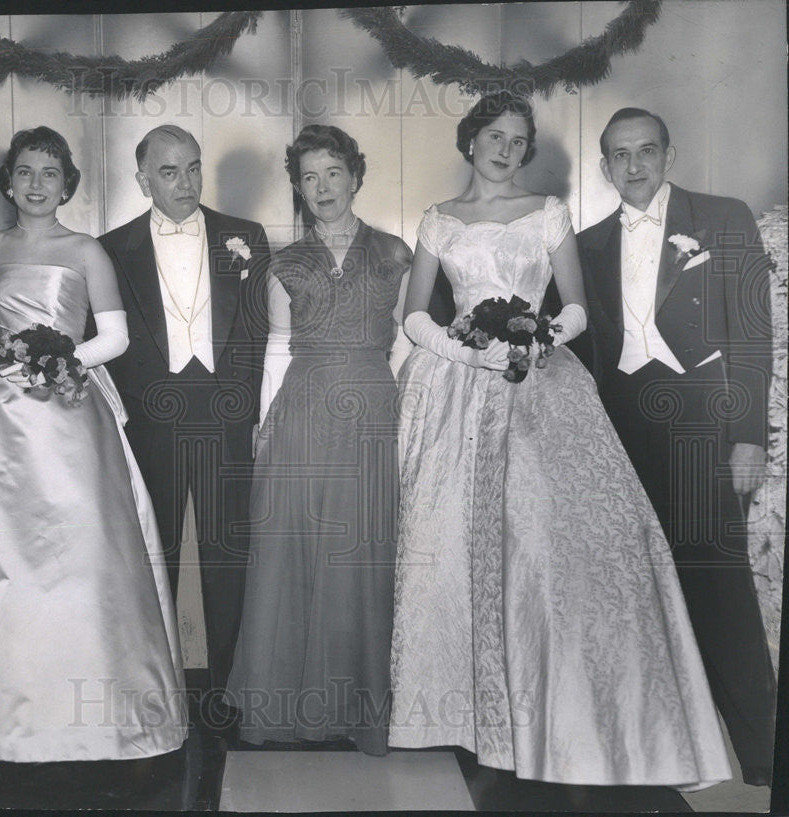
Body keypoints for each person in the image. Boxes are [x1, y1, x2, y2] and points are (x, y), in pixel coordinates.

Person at [388, 92, 732, 787]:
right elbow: (414, 316)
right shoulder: (437, 219)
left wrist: (535, 335)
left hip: (539, 381)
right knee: (448, 540)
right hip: (453, 387)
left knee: (547, 542)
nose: (507, 150)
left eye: (519, 141)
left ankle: (564, 706)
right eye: (496, 136)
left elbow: (574, 307)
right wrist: (466, 349)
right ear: (470, 140)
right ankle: (458, 714)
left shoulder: (547, 211)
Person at [0, 127, 187, 761]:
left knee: (81, 549)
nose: (37, 183)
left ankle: (106, 715)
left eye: (50, 173)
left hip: (67, 407)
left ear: (68, 185)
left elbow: (114, 336)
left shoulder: (86, 250)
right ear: (9, 181)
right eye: (26, 172)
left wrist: (56, 359)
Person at [576, 108, 776, 787]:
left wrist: (748, 435)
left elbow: (752, 335)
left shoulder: (723, 218)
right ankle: (663, 755)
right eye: (620, 155)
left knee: (719, 590)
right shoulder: (585, 243)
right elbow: (570, 348)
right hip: (619, 431)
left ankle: (765, 758)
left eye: (647, 151)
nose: (634, 166)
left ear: (668, 153)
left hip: (698, 423)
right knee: (636, 596)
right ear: (604, 166)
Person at [225, 125, 412, 756]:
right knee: (296, 554)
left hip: (374, 415)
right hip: (301, 412)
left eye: (334, 173)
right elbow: (277, 349)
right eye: (309, 177)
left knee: (364, 554)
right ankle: (288, 703)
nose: (323, 187)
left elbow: (408, 343)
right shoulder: (284, 262)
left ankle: (363, 707)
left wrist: (411, 422)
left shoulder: (394, 252)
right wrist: (262, 426)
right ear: (298, 188)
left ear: (356, 177)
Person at [99, 125, 270, 704]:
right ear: (143, 179)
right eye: (170, 172)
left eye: (194, 167)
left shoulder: (245, 236)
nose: (186, 182)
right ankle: (155, 691)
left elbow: (256, 331)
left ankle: (229, 688)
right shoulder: (110, 248)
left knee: (229, 556)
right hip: (151, 419)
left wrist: (245, 408)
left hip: (226, 418)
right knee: (154, 553)